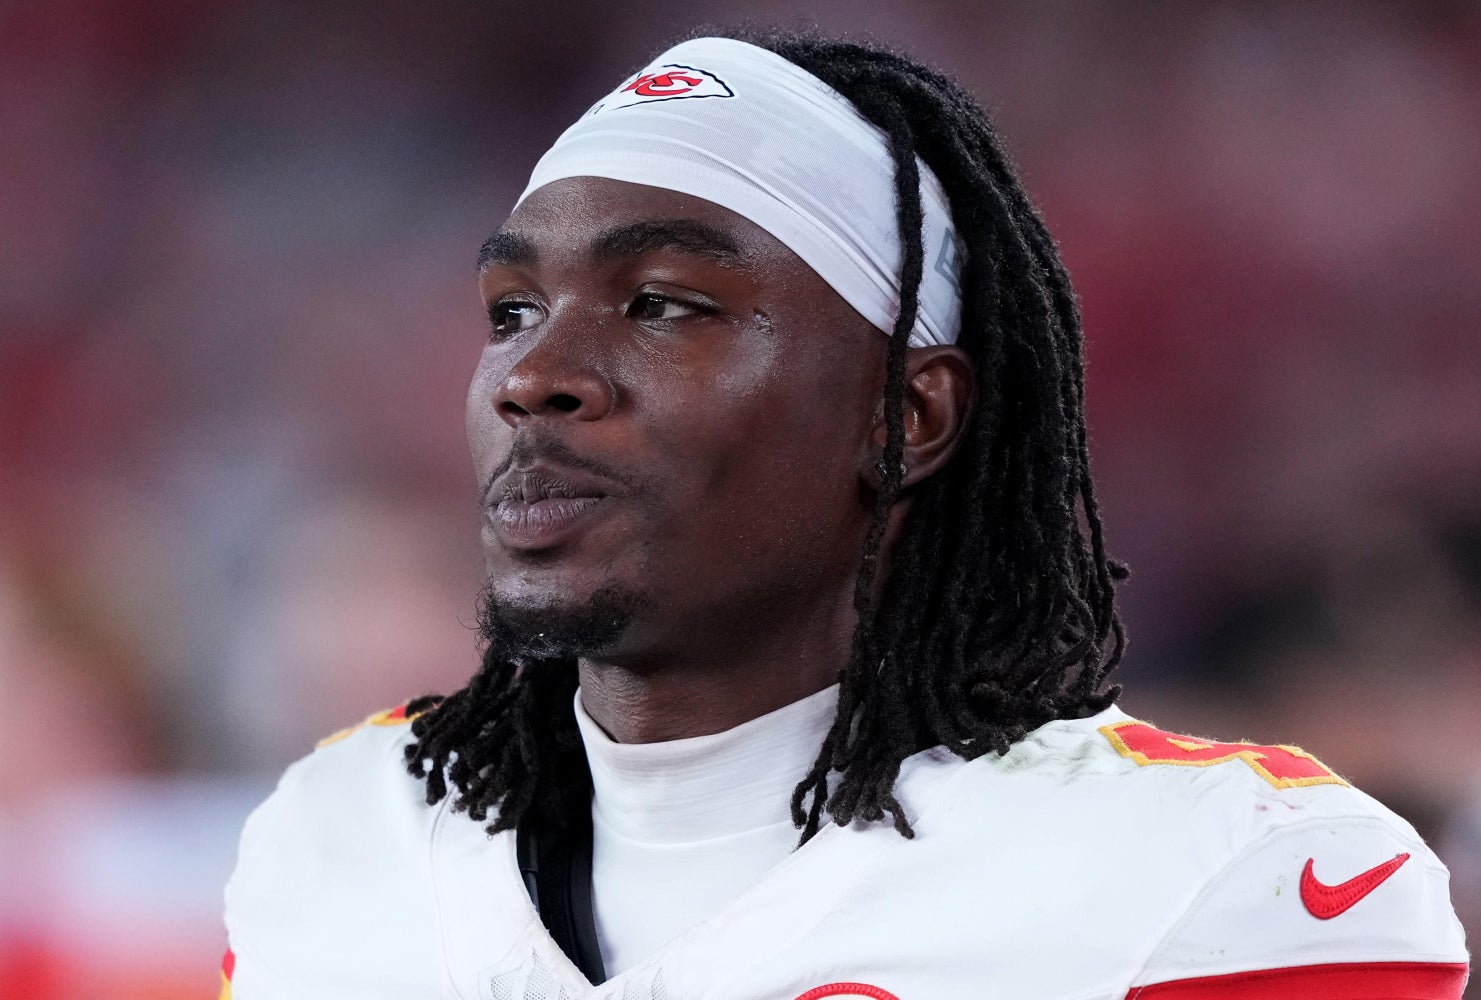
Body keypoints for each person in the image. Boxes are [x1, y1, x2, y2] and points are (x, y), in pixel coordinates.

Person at [220, 28, 1469, 1000]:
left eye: (663, 301)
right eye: (508, 308)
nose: (534, 372)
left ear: (905, 414)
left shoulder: (1225, 875)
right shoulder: (343, 830)